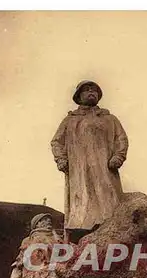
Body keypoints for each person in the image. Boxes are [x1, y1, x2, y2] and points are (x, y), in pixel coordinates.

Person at [51, 80, 129, 243]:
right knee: (82, 204)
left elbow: (121, 138)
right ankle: (82, 232)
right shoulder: (70, 120)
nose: (91, 92)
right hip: (79, 171)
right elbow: (56, 142)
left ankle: (108, 227)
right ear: (79, 96)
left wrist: (118, 156)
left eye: (94, 90)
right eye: (86, 90)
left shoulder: (109, 118)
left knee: (107, 202)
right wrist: (61, 159)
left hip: (104, 169)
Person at [9, 213, 63, 278]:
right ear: (36, 224)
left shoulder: (56, 237)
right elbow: (23, 257)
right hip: (35, 270)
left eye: (49, 220)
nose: (48, 221)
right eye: (44, 220)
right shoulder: (28, 239)